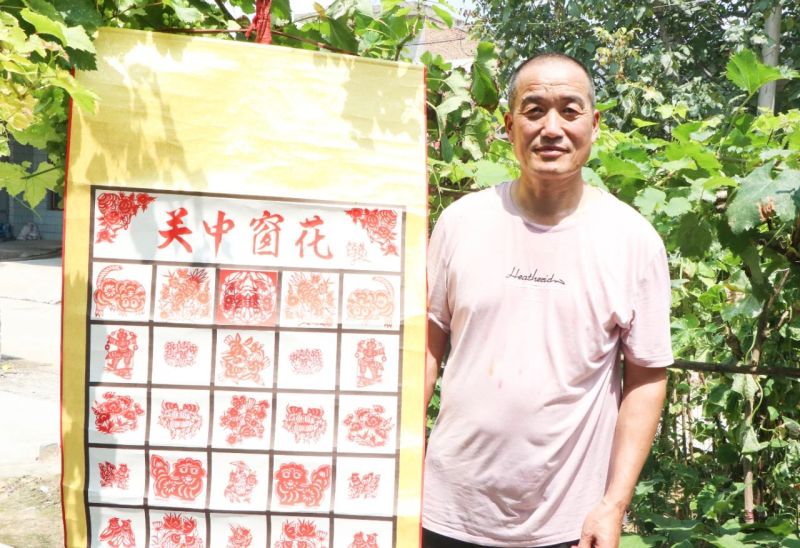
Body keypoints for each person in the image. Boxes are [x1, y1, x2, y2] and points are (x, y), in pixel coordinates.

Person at [423, 53, 673, 548]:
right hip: (446, 509)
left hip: (566, 523)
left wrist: (613, 504)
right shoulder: (461, 222)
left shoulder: (633, 240)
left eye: (569, 111)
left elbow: (647, 377)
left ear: (594, 125)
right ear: (509, 125)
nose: (551, 128)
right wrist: (397, 464)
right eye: (534, 110)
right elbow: (426, 347)